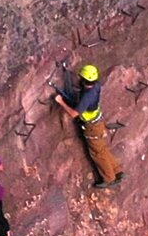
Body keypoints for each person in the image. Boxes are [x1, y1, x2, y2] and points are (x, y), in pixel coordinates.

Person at [51, 61, 124, 189]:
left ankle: (109, 178)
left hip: (92, 128)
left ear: (84, 80)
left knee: (97, 153)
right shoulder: (96, 86)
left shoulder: (86, 97)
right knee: (102, 148)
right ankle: (117, 171)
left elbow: (74, 114)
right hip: (97, 121)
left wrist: (61, 101)